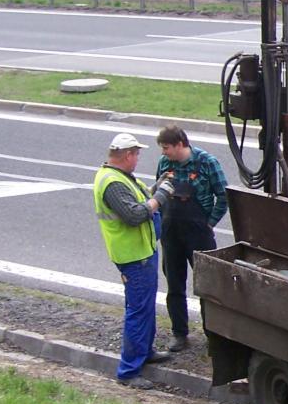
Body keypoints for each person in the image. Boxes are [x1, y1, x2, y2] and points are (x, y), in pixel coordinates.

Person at [93, 132, 175, 389]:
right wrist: (161, 196)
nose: (138, 159)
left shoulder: (120, 177)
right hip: (133, 256)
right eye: (137, 154)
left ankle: (145, 351)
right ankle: (128, 371)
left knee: (145, 305)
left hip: (142, 252)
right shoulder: (112, 183)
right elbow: (134, 214)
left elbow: (138, 199)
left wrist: (156, 187)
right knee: (138, 311)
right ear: (127, 155)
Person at [153, 123, 229, 352]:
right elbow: (158, 193)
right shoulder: (165, 164)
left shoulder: (207, 162)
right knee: (175, 284)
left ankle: (213, 335)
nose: (163, 152)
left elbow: (224, 196)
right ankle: (180, 334)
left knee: (208, 287)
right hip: (171, 232)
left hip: (199, 234)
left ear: (180, 144)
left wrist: (210, 223)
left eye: (166, 147)